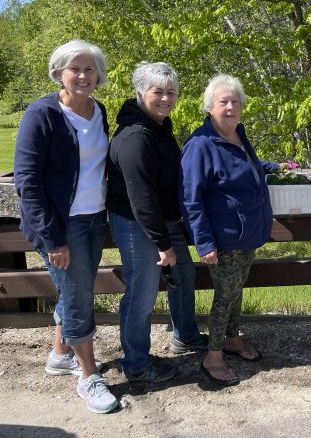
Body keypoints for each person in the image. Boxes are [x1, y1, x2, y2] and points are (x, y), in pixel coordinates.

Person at [14, 40, 118, 413]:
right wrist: (52, 238)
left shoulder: (98, 110)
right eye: (74, 68)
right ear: (59, 72)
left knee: (76, 290)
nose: (83, 75)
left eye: (90, 69)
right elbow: (27, 181)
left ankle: (61, 354)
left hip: (94, 217)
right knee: (78, 297)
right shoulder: (41, 114)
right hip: (62, 224)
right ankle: (89, 376)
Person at [107, 62, 207, 383]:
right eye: (158, 92)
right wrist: (163, 244)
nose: (166, 98)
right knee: (142, 292)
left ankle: (184, 335)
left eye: (171, 92)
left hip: (160, 220)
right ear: (141, 93)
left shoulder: (158, 126)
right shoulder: (137, 136)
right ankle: (136, 363)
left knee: (184, 274)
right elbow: (141, 198)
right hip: (139, 224)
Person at [179, 74, 279, 386]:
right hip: (224, 238)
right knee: (225, 295)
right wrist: (204, 241)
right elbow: (190, 198)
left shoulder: (237, 134)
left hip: (246, 234)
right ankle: (213, 355)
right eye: (223, 101)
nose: (231, 106)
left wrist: (269, 167)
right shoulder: (199, 145)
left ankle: (233, 339)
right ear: (209, 107)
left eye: (235, 101)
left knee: (236, 291)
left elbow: (241, 166)